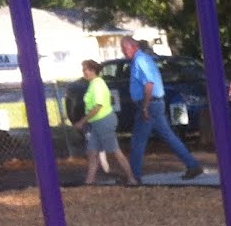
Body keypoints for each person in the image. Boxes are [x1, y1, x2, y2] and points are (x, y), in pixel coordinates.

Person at [121, 35, 204, 183]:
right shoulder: (144, 59)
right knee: (168, 136)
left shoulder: (140, 60)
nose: (123, 51)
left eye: (124, 48)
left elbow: (149, 84)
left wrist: (145, 107)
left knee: (138, 141)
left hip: (149, 104)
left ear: (133, 46)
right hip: (155, 104)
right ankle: (193, 165)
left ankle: (134, 176)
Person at [77, 59, 139, 187]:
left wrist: (83, 120)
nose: (84, 72)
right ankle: (89, 181)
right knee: (92, 153)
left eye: (86, 70)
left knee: (115, 151)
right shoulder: (94, 84)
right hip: (97, 123)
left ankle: (131, 178)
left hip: (103, 121)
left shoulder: (97, 85)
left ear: (93, 71)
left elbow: (98, 106)